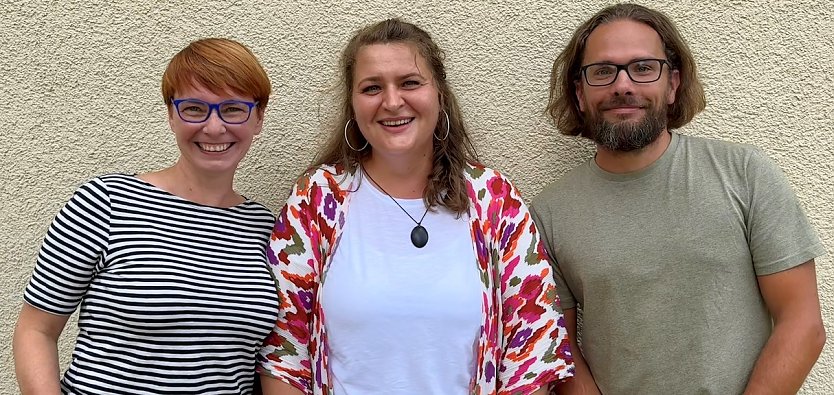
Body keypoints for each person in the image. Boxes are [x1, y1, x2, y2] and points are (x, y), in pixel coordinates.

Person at [257, 18, 573, 395]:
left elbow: (533, 349)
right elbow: (283, 352)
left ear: (438, 93)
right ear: (353, 104)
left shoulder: (493, 199)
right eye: (372, 87)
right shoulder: (319, 198)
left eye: (410, 82)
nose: (392, 102)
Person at [531, 3, 826, 394]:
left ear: (672, 85)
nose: (623, 85)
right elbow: (560, 350)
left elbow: (802, 322)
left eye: (643, 67)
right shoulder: (549, 213)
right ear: (580, 94)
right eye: (602, 71)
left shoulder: (743, 173)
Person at [13, 38, 278, 394]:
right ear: (171, 115)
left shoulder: (265, 227)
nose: (214, 128)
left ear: (258, 118)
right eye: (194, 108)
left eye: (233, 109)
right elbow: (37, 330)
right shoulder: (105, 202)